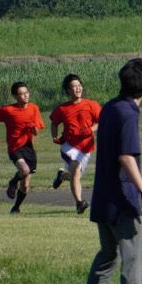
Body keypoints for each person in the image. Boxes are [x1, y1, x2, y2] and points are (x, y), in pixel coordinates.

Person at [76, 58, 142, 284]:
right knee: (135, 259)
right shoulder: (127, 114)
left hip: (103, 194)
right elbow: (126, 156)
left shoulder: (111, 107)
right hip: (122, 198)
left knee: (107, 255)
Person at [0, 81, 44, 214]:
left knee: (25, 185)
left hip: (28, 148)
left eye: (26, 93)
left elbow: (36, 132)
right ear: (15, 96)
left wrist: (32, 128)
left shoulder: (33, 108)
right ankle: (13, 182)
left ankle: (16, 207)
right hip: (15, 148)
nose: (25, 96)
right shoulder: (8, 110)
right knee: (24, 171)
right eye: (21, 94)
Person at [48, 73, 100, 215]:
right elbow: (54, 123)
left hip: (86, 148)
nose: (77, 89)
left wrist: (90, 129)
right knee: (76, 171)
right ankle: (79, 202)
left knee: (74, 176)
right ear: (68, 90)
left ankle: (61, 176)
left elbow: (99, 122)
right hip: (69, 146)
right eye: (73, 87)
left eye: (79, 86)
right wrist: (54, 136)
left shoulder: (91, 105)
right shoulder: (62, 108)